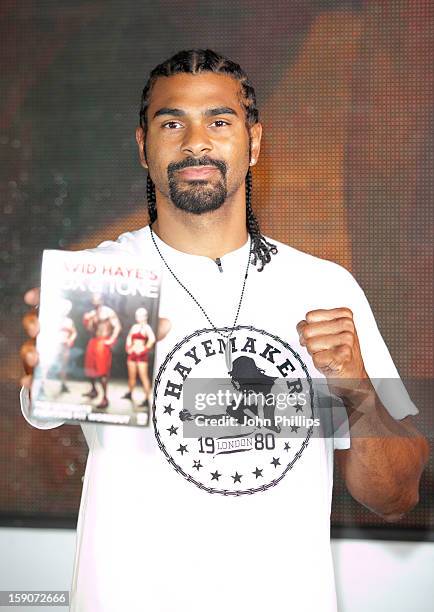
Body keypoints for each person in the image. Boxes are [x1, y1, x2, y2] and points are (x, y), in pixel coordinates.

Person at [19, 49, 429, 612]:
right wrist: (46, 370)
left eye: (218, 120)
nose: (195, 141)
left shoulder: (323, 288)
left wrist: (357, 390)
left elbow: (396, 495)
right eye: (171, 122)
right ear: (143, 146)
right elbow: (47, 397)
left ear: (253, 142)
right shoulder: (103, 284)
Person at [82, 292, 121, 409]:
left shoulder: (108, 312)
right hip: (93, 341)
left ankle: (105, 398)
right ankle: (94, 390)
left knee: (102, 371)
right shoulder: (92, 314)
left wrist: (112, 339)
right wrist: (87, 320)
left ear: (102, 299)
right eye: (93, 299)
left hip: (103, 342)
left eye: (97, 299)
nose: (95, 301)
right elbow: (90, 330)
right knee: (90, 368)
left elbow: (118, 326)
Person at [123, 306, 156, 409]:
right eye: (137, 315)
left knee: (143, 377)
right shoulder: (135, 327)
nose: (137, 317)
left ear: (145, 316)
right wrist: (128, 348)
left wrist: (145, 349)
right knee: (131, 376)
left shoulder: (147, 328)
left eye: (140, 315)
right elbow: (129, 337)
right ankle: (130, 393)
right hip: (133, 353)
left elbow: (152, 339)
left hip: (141, 355)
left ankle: (147, 399)